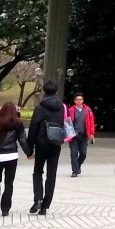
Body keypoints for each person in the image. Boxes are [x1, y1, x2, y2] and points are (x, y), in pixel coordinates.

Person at [26, 79, 66, 215]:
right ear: (56, 91)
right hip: (56, 143)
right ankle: (45, 205)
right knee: (51, 174)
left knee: (38, 171)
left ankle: (38, 199)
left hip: (41, 143)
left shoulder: (40, 107)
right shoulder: (61, 107)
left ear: (44, 91)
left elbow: (33, 127)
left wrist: (29, 148)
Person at [0, 102, 30, 216]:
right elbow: (23, 141)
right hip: (12, 156)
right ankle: (5, 209)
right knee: (9, 183)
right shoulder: (18, 123)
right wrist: (29, 153)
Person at [66, 92, 96, 177]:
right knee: (74, 154)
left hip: (84, 135)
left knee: (83, 154)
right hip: (74, 136)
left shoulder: (88, 110)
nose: (79, 101)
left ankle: (77, 166)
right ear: (74, 101)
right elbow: (67, 123)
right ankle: (75, 171)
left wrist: (91, 134)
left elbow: (91, 122)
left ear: (83, 100)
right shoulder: (71, 110)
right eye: (77, 100)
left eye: (81, 99)